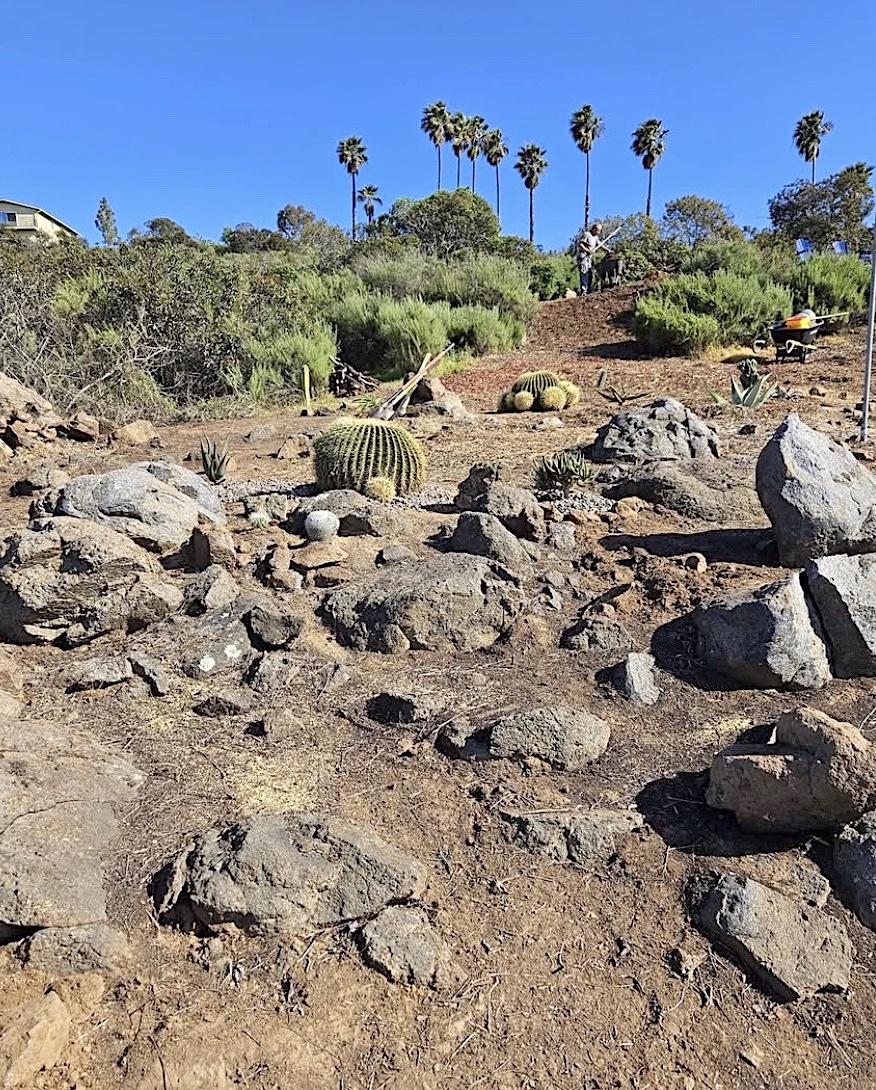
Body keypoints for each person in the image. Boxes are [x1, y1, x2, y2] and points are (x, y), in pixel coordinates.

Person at [577, 221, 608, 296]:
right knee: (584, 273)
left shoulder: (595, 237)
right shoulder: (587, 234)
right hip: (583, 257)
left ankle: (588, 290)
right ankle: (584, 291)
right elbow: (580, 244)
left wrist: (607, 250)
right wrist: (587, 250)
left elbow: (600, 245)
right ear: (594, 229)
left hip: (589, 258)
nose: (599, 232)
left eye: (600, 231)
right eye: (598, 230)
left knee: (590, 273)